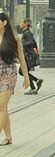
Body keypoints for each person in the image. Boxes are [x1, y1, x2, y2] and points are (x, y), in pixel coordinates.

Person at [0, 12, 31, 146]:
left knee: (0, 106)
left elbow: (22, 59)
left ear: (4, 23)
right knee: (4, 107)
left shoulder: (14, 39)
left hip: (9, 73)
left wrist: (26, 78)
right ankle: (8, 137)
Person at [19, 18, 42, 94]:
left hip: (28, 56)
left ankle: (37, 81)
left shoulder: (27, 33)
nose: (20, 24)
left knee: (22, 72)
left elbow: (31, 42)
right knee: (24, 72)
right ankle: (33, 87)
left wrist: (21, 45)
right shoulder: (26, 32)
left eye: (21, 22)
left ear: (26, 24)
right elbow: (34, 43)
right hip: (28, 55)